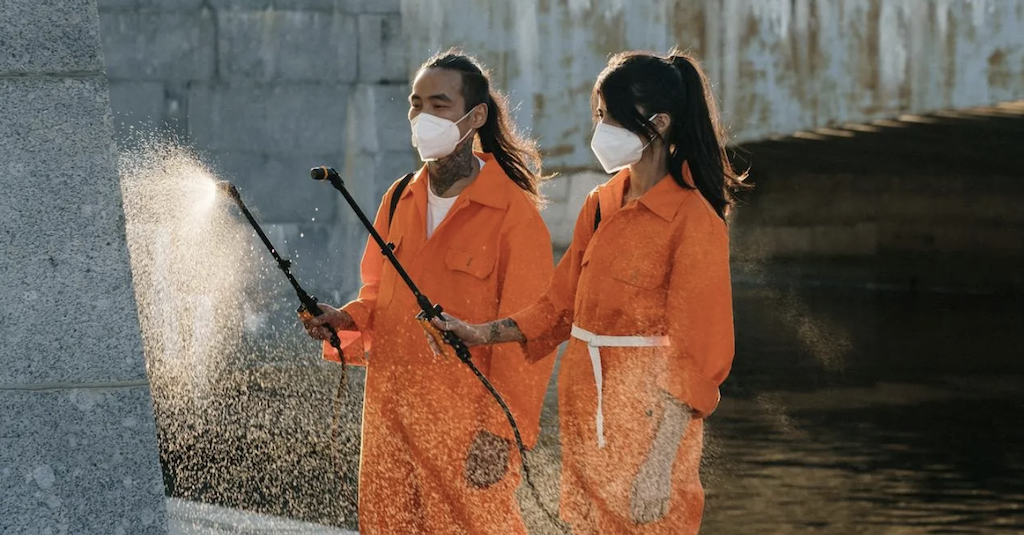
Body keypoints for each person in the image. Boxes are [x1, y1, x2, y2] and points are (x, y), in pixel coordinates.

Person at [432, 50, 746, 534]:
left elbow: (696, 360)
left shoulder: (694, 222)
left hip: (646, 439)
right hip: (583, 429)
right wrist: (477, 333)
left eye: (609, 117)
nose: (598, 129)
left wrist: (658, 469)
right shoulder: (600, 204)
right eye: (597, 115)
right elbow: (558, 307)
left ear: (657, 124)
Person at [300, 50, 557, 534]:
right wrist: (345, 320)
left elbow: (530, 337)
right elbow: (379, 297)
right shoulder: (398, 198)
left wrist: (501, 433)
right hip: (388, 423)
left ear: (475, 116)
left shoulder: (515, 218)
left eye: (440, 104)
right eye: (416, 104)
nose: (422, 117)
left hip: (466, 432)